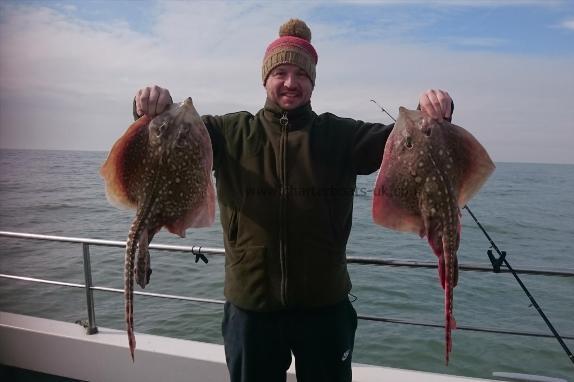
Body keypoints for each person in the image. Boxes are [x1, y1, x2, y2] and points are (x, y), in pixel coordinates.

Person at [134, 18, 453, 382]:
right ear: (265, 79)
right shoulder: (228, 133)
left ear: (312, 82)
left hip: (325, 307)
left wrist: (431, 110)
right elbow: (173, 130)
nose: (290, 82)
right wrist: (150, 106)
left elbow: (406, 138)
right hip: (251, 308)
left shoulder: (341, 135)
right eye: (280, 72)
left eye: (301, 74)